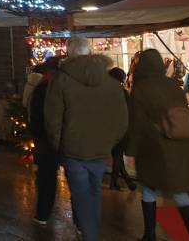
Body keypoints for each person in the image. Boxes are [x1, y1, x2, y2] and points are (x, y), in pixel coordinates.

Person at [44, 37, 127, 241]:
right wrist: (109, 141)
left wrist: (59, 144)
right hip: (100, 149)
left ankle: (90, 235)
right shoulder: (110, 82)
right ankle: (90, 231)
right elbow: (122, 119)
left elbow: (52, 119)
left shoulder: (61, 81)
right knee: (94, 192)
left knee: (81, 195)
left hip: (73, 149)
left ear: (69, 53)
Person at [126, 49, 189, 241]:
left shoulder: (141, 88)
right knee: (179, 191)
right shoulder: (172, 85)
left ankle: (149, 235)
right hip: (178, 145)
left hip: (153, 146)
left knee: (149, 188)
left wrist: (131, 150)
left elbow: (138, 122)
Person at [28, 55, 61, 224]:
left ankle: (42, 214)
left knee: (47, 178)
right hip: (66, 138)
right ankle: (80, 221)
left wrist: (38, 137)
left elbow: (35, 116)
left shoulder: (42, 88)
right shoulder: (66, 87)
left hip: (46, 140)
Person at [108, 67, 137, 191]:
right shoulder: (122, 92)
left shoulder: (105, 92)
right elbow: (130, 110)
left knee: (117, 156)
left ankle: (125, 180)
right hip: (122, 127)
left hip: (109, 128)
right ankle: (115, 182)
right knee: (118, 155)